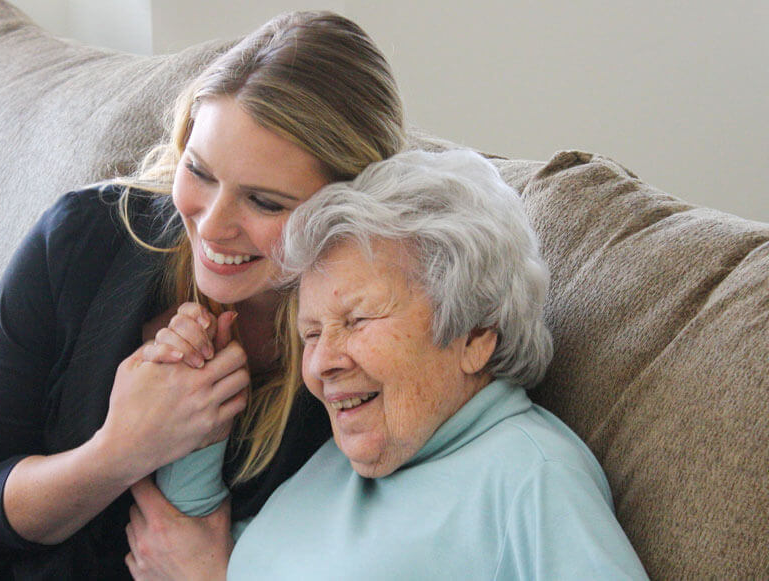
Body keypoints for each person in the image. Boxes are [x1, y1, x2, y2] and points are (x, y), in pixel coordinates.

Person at [0, 10, 405, 580]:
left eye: (265, 202)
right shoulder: (84, 238)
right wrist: (119, 450)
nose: (211, 224)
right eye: (199, 172)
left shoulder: (373, 348)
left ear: (346, 210)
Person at [126, 150, 649, 579]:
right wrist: (201, 395)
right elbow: (185, 541)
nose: (321, 365)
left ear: (476, 334)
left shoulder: (530, 477)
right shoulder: (344, 458)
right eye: (311, 333)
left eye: (357, 320)